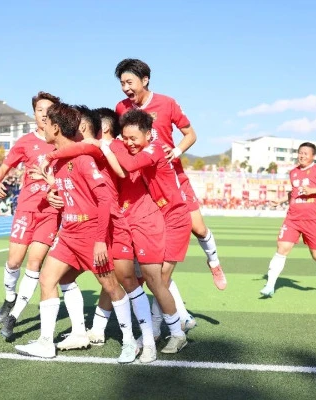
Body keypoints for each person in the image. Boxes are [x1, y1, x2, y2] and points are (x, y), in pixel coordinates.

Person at [15, 103, 137, 363]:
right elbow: (70, 193)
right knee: (48, 279)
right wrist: (52, 193)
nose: (42, 127)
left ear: (56, 128)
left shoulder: (82, 159)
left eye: (46, 123)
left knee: (111, 287)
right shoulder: (58, 161)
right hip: (68, 233)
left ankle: (129, 342)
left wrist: (100, 240)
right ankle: (47, 342)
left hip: (90, 234)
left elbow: (104, 199)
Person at [39, 106, 157, 362]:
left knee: (125, 283)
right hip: (86, 228)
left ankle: (145, 341)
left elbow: (90, 152)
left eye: (77, 125)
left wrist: (49, 156)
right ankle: (81, 332)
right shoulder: (75, 155)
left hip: (111, 226)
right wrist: (52, 190)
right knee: (64, 278)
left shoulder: (101, 148)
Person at [114, 58, 227, 291]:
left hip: (172, 177)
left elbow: (190, 134)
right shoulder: (121, 108)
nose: (125, 88)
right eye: (122, 83)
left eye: (129, 82)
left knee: (198, 228)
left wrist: (176, 151)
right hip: (142, 181)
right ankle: (158, 294)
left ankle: (214, 262)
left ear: (145, 80)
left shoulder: (167, 103)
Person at [101, 109, 192, 353]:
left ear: (149, 134)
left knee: (159, 281)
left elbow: (129, 165)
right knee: (156, 281)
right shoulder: (143, 150)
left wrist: (110, 144)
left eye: (133, 138)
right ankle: (160, 329)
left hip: (175, 219)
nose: (129, 143)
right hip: (162, 216)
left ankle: (175, 332)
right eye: (125, 138)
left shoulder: (155, 149)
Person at [0, 92, 61, 339]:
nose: (44, 114)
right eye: (40, 110)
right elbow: (4, 168)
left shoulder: (62, 141)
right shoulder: (25, 142)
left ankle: (14, 316)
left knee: (34, 263)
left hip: (50, 212)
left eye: (49, 110)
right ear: (34, 114)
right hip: (26, 209)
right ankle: (9, 298)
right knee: (14, 262)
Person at [260, 142, 316, 297]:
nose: (302, 156)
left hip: (312, 220)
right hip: (292, 218)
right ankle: (270, 285)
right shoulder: (293, 172)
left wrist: (312, 191)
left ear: (313, 156)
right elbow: (294, 192)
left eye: (305, 153)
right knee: (282, 249)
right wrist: (280, 200)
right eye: (300, 153)